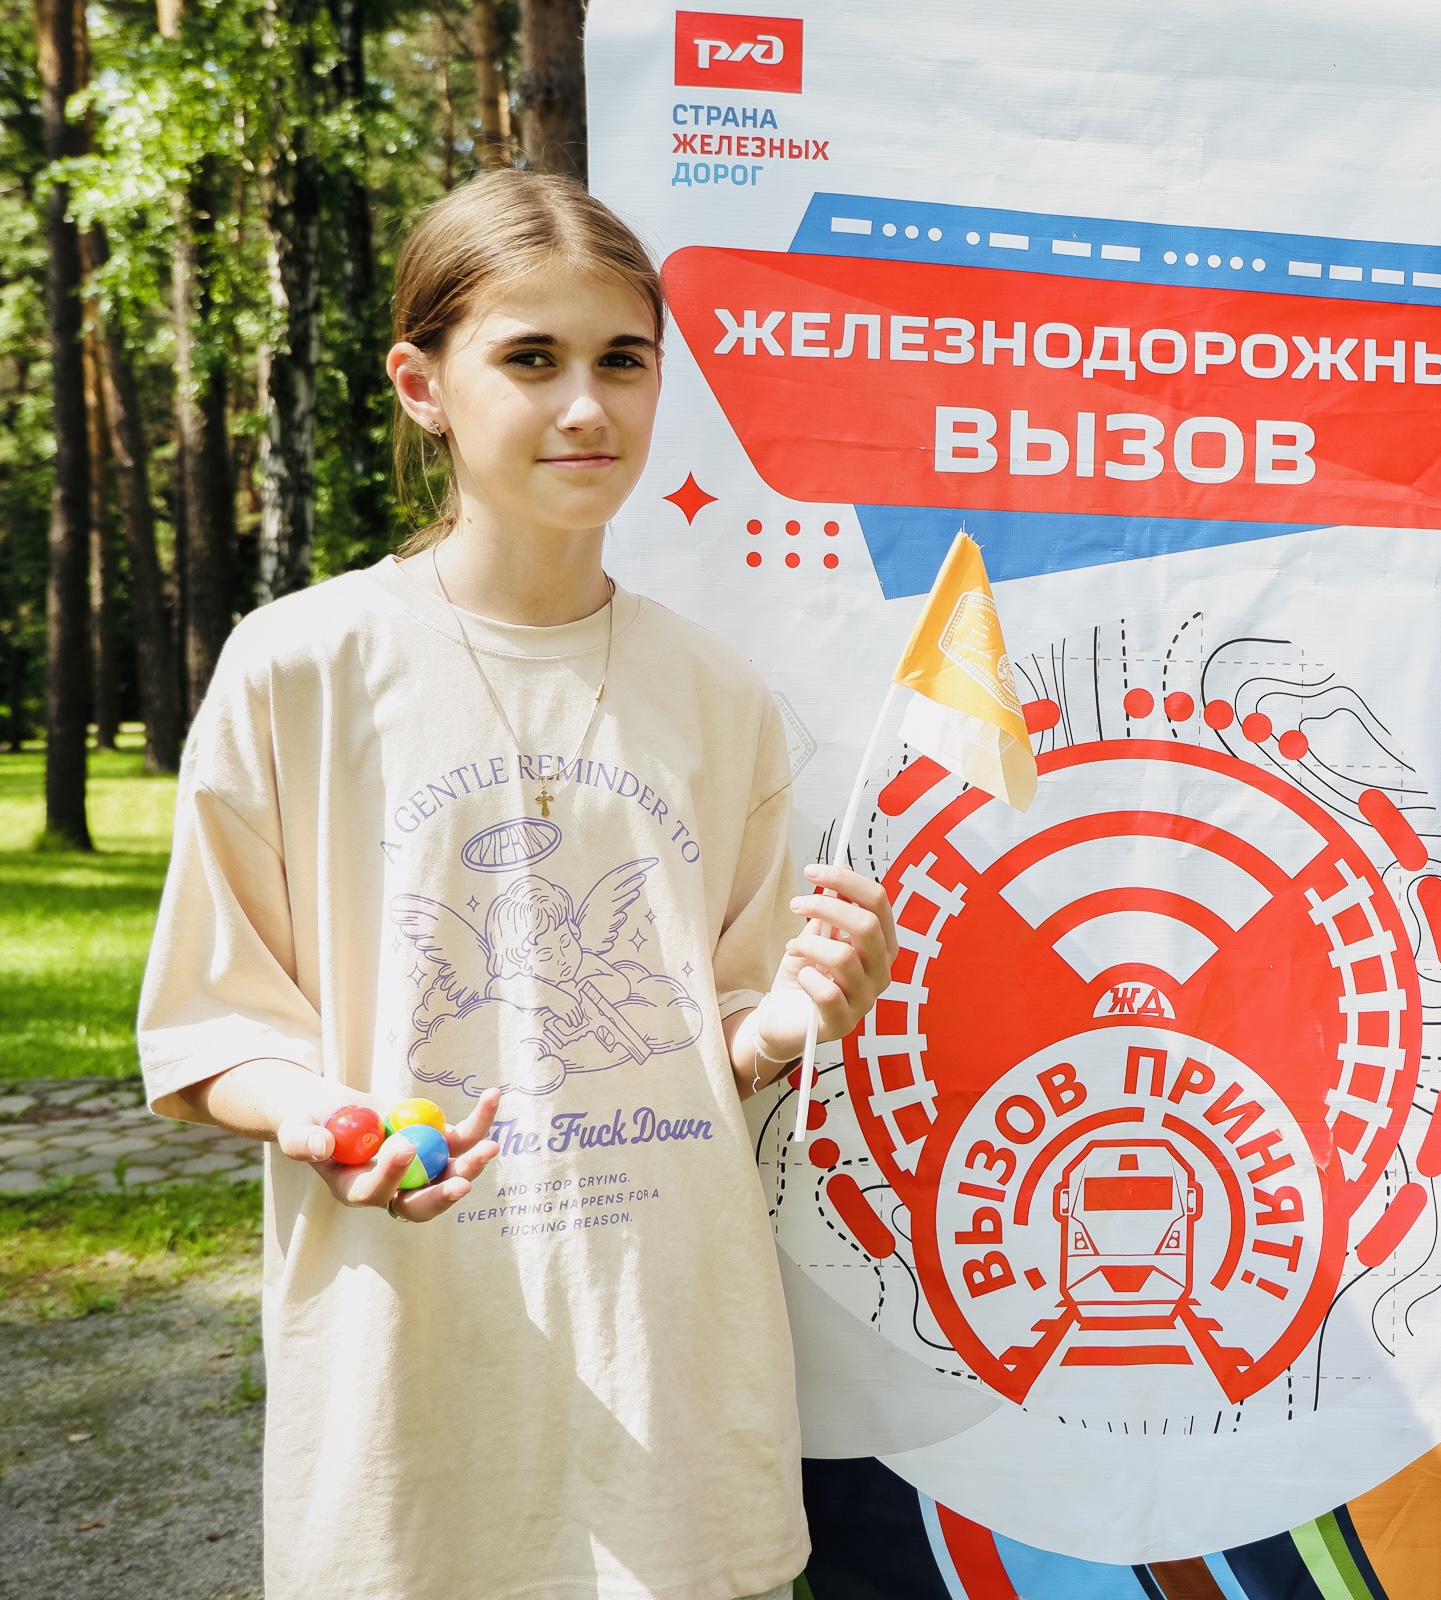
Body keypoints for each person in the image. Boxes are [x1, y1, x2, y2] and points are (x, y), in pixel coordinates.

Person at [136, 170, 895, 1600]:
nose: (587, 407)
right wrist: (325, 1122)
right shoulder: (302, 665)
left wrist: (789, 1021)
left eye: (624, 360)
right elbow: (211, 1022)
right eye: (531, 360)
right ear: (422, 386)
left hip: (671, 1372)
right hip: (411, 1375)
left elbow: (720, 1035)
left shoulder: (717, 691)